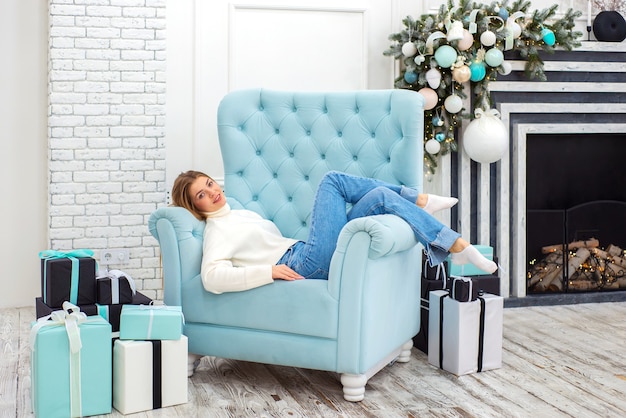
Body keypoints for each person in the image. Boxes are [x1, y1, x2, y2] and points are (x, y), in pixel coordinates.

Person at [171, 170, 497, 294]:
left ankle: (454, 243)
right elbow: (212, 278)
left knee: (380, 198)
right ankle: (421, 199)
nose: (212, 192)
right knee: (332, 181)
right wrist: (267, 271)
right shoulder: (217, 230)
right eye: (201, 194)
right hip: (304, 262)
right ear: (195, 206)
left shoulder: (240, 213)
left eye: (210, 183)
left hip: (307, 255)